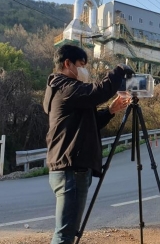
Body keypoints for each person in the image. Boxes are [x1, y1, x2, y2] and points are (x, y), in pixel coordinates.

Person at [43, 44, 133, 244]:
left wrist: (109, 111)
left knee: (66, 232)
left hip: (68, 167)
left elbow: (86, 125)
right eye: (81, 64)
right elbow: (97, 91)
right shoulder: (65, 86)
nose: (85, 70)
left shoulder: (64, 91)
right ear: (67, 63)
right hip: (71, 169)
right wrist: (119, 70)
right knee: (65, 234)